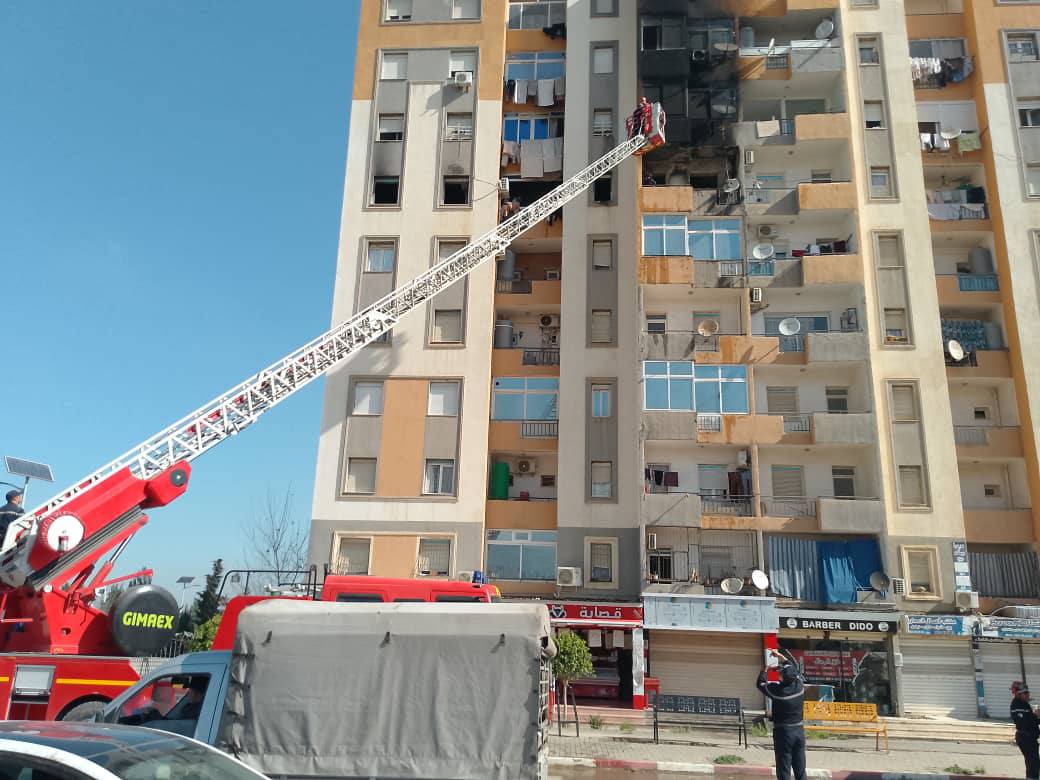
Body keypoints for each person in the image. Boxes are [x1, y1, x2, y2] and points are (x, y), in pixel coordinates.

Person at [757, 648, 806, 780]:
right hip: (799, 731)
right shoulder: (799, 685)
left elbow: (760, 684)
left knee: (784, 767)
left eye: (780, 673)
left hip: (784, 733)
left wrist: (765, 669)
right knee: (800, 768)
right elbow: (792, 668)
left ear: (783, 677)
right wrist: (780, 656)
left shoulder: (778, 691)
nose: (779, 674)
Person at [1011, 681, 1040, 779]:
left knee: (1034, 763)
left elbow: (1033, 721)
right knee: (1032, 764)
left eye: (1028, 692)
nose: (1028, 695)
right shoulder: (1016, 705)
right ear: (1018, 694)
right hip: (1025, 737)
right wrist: (1036, 716)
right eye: (1025, 693)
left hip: (1030, 738)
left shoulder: (1025, 705)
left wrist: (1037, 717)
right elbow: (1024, 723)